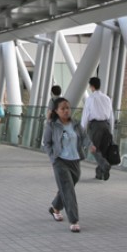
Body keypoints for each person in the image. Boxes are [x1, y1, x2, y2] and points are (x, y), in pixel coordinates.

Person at [42, 97, 89, 233]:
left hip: (75, 160)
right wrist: (53, 158)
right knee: (68, 189)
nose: (66, 110)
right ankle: (74, 220)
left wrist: (91, 146)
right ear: (56, 111)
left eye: (68, 108)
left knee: (67, 187)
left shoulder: (75, 124)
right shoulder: (52, 125)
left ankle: (55, 208)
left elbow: (84, 137)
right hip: (60, 161)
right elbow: (46, 143)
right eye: (62, 108)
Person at [81, 77, 115, 180]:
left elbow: (86, 115)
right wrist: (111, 129)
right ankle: (99, 174)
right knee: (103, 150)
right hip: (106, 125)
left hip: (95, 126)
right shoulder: (107, 98)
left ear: (92, 86)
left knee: (93, 148)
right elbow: (111, 115)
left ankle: (104, 165)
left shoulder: (90, 99)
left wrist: (82, 129)